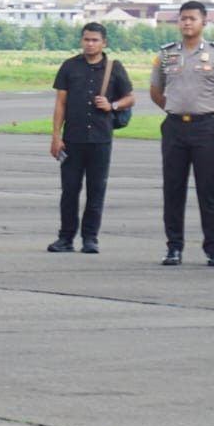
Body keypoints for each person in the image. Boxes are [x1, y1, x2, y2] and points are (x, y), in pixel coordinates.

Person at [149, 1, 214, 266]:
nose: (187, 23)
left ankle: (213, 248)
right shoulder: (167, 54)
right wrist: (176, 109)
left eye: (192, 18)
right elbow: (156, 91)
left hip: (205, 128)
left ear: (204, 22)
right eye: (183, 18)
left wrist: (208, 112)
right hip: (175, 127)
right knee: (173, 190)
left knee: (208, 190)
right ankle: (174, 247)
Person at [48, 23, 135, 254]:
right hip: (73, 139)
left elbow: (130, 98)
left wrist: (112, 105)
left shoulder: (114, 68)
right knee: (69, 190)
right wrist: (56, 135)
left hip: (100, 139)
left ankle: (90, 238)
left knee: (96, 190)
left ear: (104, 43)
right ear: (81, 41)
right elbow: (60, 103)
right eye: (86, 39)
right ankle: (66, 238)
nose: (90, 44)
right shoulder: (69, 66)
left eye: (95, 40)